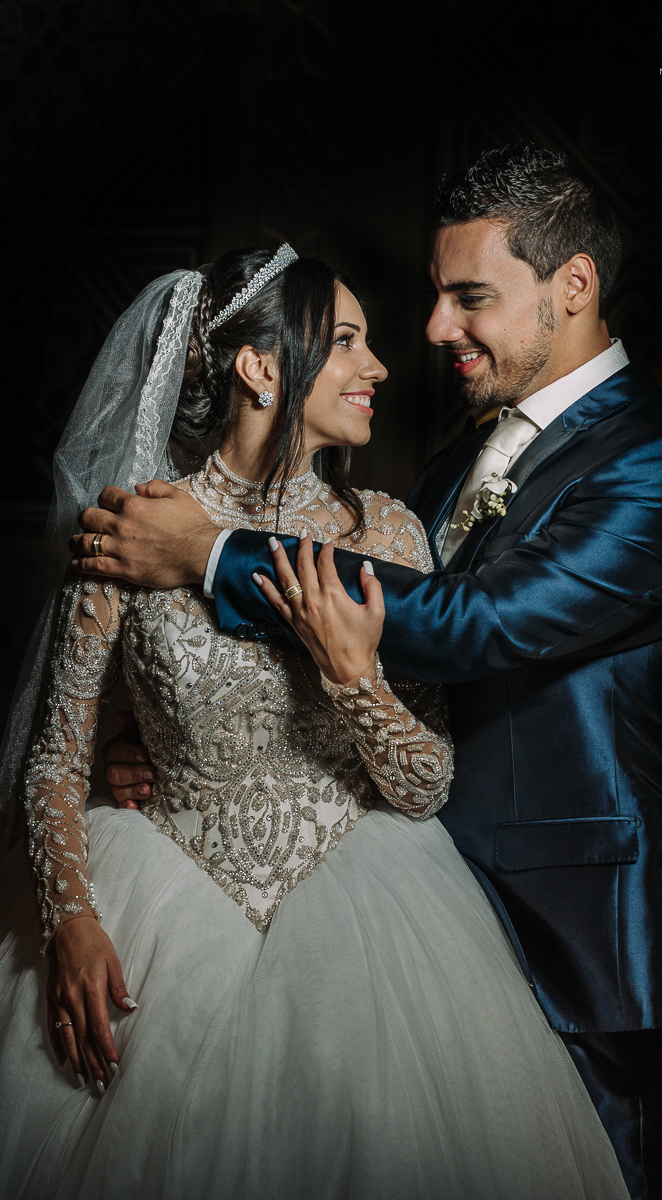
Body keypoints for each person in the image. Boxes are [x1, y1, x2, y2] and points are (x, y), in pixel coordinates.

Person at [78, 145, 662, 1200]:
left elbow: (476, 623)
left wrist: (208, 552)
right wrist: (167, 737)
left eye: (469, 297)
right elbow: (353, 672)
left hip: (589, 958)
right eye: (436, 297)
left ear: (574, 286)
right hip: (430, 927)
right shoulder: (446, 466)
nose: (434, 331)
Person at [0, 244, 629, 1199]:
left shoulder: (385, 529)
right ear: (260, 368)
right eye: (345, 342)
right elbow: (55, 753)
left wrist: (354, 680)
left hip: (364, 916)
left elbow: (424, 784)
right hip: (157, 910)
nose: (378, 366)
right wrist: (75, 920)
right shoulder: (129, 527)